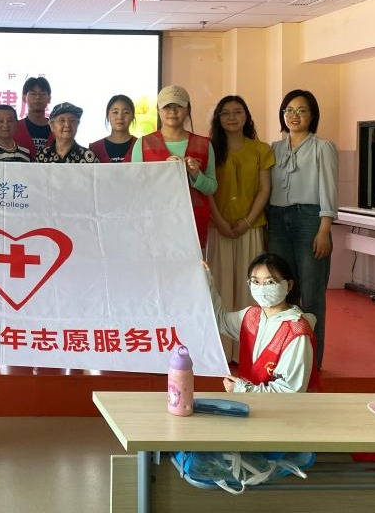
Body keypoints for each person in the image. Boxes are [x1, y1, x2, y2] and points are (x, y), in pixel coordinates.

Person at [268, 89, 337, 368]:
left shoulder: (323, 147)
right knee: (282, 290)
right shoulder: (274, 148)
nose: (294, 115)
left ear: (313, 115)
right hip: (276, 220)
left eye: (302, 110)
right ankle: (285, 358)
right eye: (289, 110)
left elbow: (329, 189)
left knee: (311, 292)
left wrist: (324, 228)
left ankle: (311, 362)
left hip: (309, 220)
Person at [206, 95, 274, 362]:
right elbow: (206, 190)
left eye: (237, 112)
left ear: (246, 116)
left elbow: (265, 189)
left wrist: (247, 221)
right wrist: (220, 222)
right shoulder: (210, 149)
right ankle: (221, 351)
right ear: (218, 118)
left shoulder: (261, 149)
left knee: (250, 289)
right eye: (225, 113)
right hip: (218, 228)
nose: (232, 117)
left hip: (251, 228)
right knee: (220, 288)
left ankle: (248, 351)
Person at [208, 253, 320, 393]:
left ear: (289, 285)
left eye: (270, 282)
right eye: (255, 282)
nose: (262, 288)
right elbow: (218, 319)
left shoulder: (296, 333)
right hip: (251, 402)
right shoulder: (251, 317)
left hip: (282, 406)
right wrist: (206, 280)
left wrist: (243, 390)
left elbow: (290, 392)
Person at [132, 85, 216, 249]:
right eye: (167, 107)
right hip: (154, 222)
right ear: (158, 110)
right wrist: (163, 172)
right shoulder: (143, 144)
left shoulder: (204, 144)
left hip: (193, 222)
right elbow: (135, 188)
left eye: (178, 106)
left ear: (188, 109)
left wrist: (196, 174)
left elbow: (211, 187)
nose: (172, 111)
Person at [89, 94, 137, 163]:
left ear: (132, 116)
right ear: (107, 116)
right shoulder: (95, 148)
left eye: (126, 112)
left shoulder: (140, 146)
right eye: (115, 112)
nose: (120, 117)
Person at [13, 76, 51, 158]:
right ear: (24, 98)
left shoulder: (57, 129)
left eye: (42, 94)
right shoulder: (14, 128)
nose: (38, 97)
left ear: (49, 98)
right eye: (33, 93)